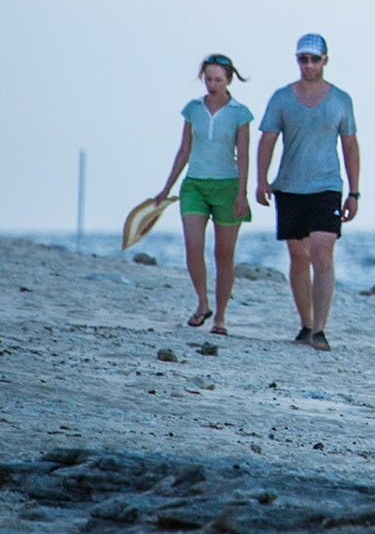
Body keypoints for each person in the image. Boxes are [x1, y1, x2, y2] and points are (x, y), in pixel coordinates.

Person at [254, 33, 359, 351]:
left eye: (315, 59)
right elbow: (267, 139)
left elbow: (350, 145)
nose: (309, 65)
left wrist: (354, 193)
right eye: (304, 59)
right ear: (297, 60)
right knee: (298, 257)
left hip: (326, 186)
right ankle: (306, 323)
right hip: (289, 186)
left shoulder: (341, 100)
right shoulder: (282, 98)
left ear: (325, 59)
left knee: (322, 252)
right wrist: (261, 180)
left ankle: (321, 330)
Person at [154, 53, 254, 334]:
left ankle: (220, 317)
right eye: (208, 79)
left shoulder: (240, 113)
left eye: (218, 79)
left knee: (224, 254)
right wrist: (167, 187)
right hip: (194, 185)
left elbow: (244, 155)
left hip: (228, 186)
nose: (212, 84)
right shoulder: (193, 109)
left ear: (229, 80)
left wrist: (242, 193)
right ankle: (202, 303)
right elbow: (184, 150)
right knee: (193, 247)